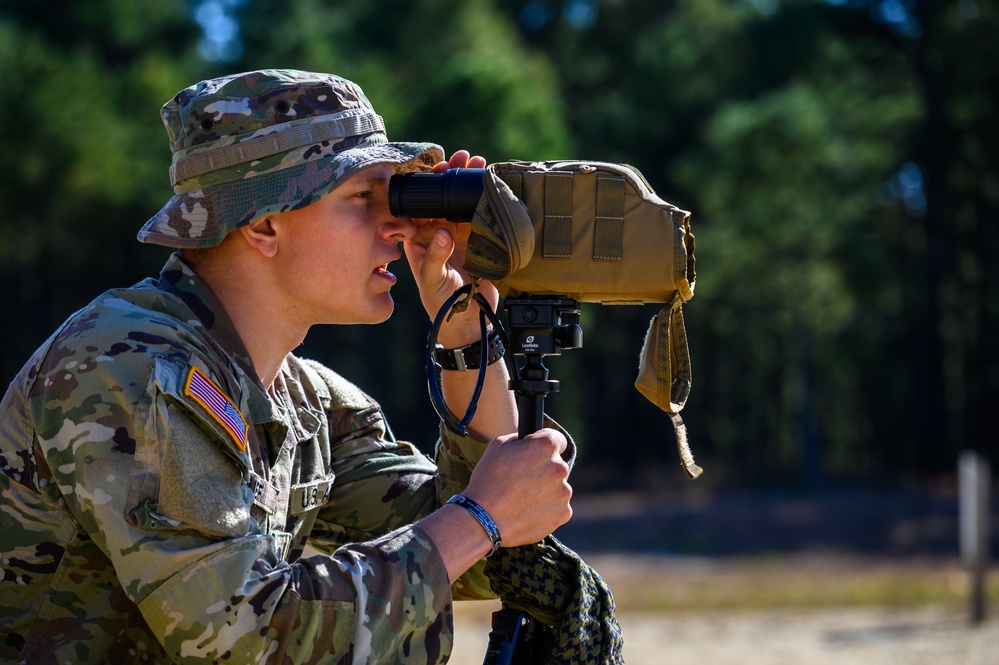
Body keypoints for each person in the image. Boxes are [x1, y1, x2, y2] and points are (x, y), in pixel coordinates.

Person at [0, 68, 574, 664]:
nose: (398, 226)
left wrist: (466, 340)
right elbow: (245, 637)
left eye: (397, 194)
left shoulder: (304, 400)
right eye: (363, 197)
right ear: (263, 223)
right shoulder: (133, 367)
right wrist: (481, 516)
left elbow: (481, 548)